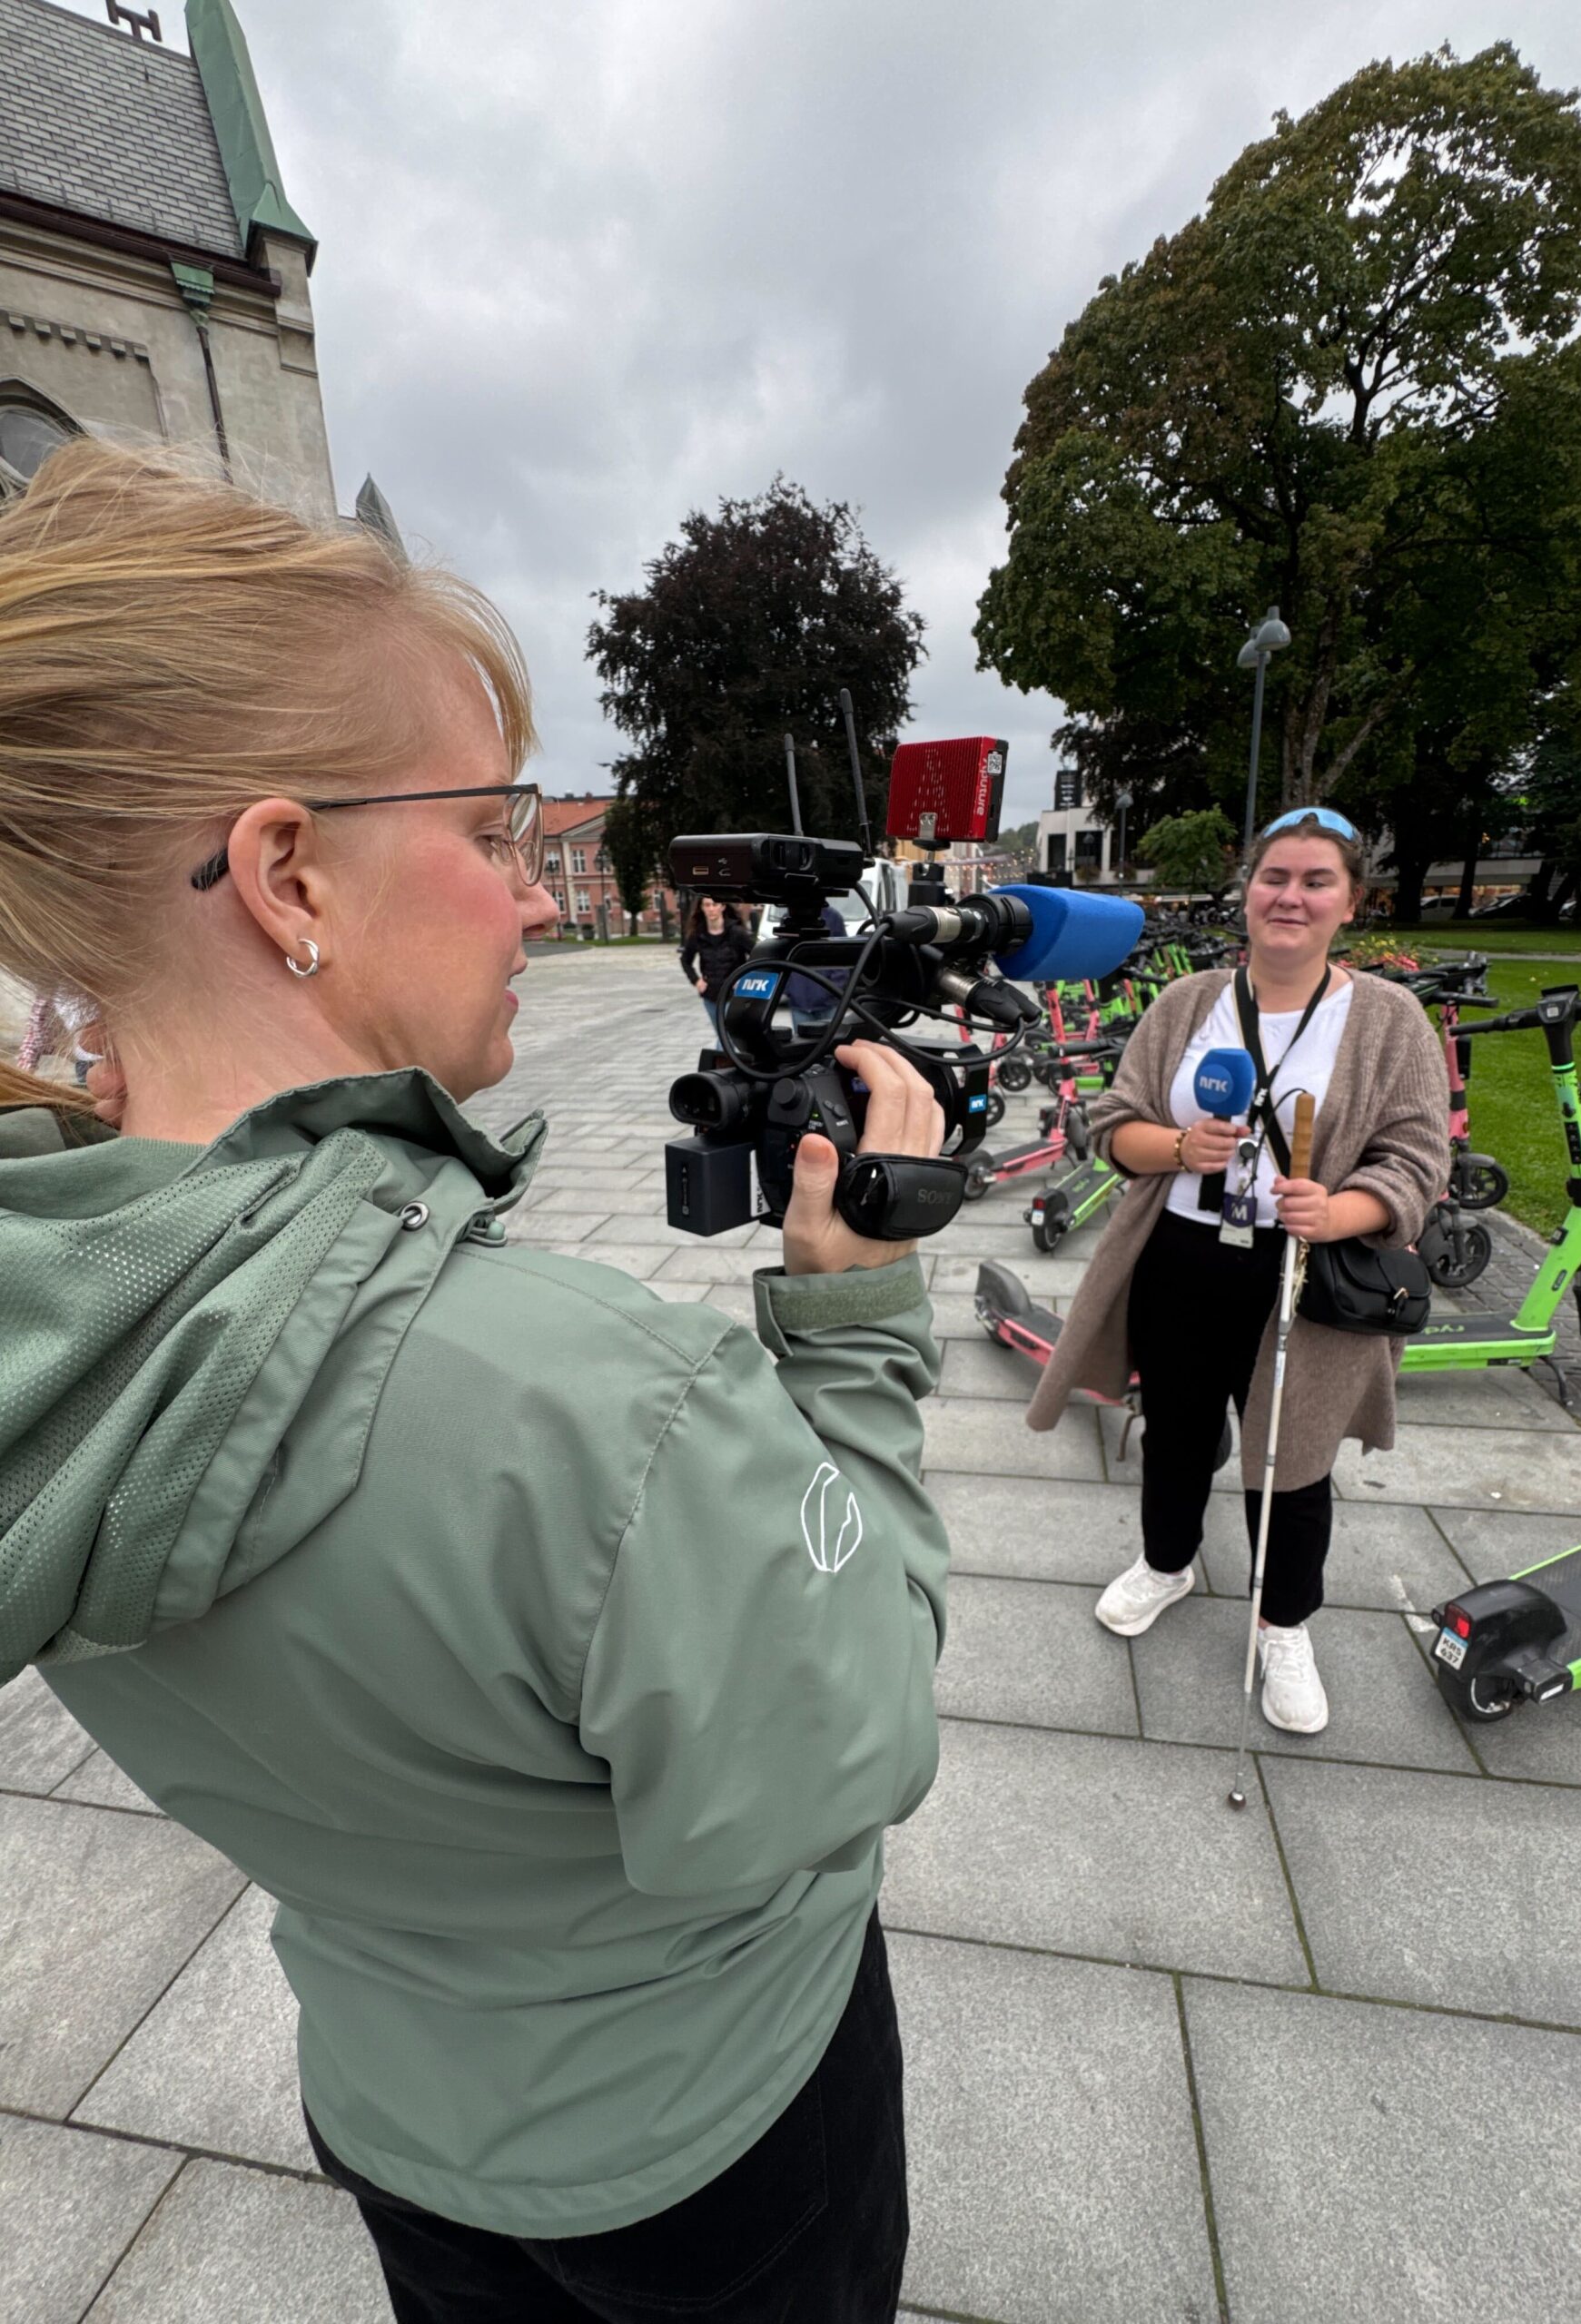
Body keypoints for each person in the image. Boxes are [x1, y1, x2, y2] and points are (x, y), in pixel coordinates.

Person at [0, 441, 951, 2324]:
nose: (536, 899)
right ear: (290, 873)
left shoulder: (50, 1328)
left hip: (397, 2095)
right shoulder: (605, 1408)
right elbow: (839, 1753)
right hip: (706, 2136)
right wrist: (853, 1334)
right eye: (499, 830)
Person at [1027, 809, 1445, 1734]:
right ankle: (1167, 1561)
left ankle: (1283, 1619)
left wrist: (1342, 1209)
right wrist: (1180, 1144)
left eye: (1315, 881)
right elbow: (1115, 1125)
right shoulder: (1187, 1005)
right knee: (1175, 1432)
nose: (1290, 896)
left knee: (1289, 1461)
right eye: (1274, 877)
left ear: (1351, 903)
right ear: (1247, 893)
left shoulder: (1388, 1018)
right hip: (1177, 1259)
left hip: (1303, 1274)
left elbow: (1418, 1157)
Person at [678, 894, 752, 1032]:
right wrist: (696, 981)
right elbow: (685, 960)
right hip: (711, 994)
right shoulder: (697, 935)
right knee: (722, 1034)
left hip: (734, 994)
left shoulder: (737, 933)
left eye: (715, 905)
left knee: (729, 1034)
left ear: (723, 907)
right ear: (702, 908)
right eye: (707, 905)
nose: (711, 909)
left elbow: (757, 956)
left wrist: (744, 978)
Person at [786, 899, 849, 1038]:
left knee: (830, 1046)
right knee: (802, 1048)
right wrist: (790, 988)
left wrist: (832, 988)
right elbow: (784, 955)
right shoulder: (788, 919)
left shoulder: (834, 917)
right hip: (799, 1002)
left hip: (828, 1003)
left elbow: (842, 955)